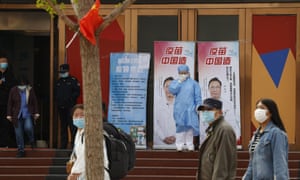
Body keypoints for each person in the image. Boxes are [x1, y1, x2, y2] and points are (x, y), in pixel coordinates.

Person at [243, 98, 289, 179]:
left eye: (262, 108)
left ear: (270, 112)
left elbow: (280, 164)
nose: (258, 111)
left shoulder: (276, 134)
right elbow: (251, 164)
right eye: (257, 108)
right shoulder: (256, 135)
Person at [67, 104, 110, 180]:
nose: (79, 118)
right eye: (76, 115)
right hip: (84, 174)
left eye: (82, 115)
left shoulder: (91, 132)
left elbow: (85, 155)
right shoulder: (79, 133)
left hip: (95, 173)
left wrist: (75, 173)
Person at [197, 98, 236, 179]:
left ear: (220, 112)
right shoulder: (213, 129)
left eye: (209, 110)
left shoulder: (224, 130)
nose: (205, 113)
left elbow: (222, 164)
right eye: (203, 110)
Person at [168, 65, 202, 151]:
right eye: (181, 73)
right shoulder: (176, 82)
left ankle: (190, 144)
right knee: (180, 126)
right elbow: (172, 90)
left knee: (190, 127)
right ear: (178, 73)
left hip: (191, 108)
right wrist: (179, 81)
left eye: (184, 73)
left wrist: (198, 105)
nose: (183, 74)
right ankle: (179, 145)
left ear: (188, 72)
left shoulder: (194, 83)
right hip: (180, 108)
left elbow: (197, 95)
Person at [6, 76, 40, 157]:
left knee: (28, 128)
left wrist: (36, 113)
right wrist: (9, 114)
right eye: (20, 85)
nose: (22, 86)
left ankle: (31, 140)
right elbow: (10, 103)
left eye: (24, 84)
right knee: (18, 133)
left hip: (27, 113)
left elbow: (34, 102)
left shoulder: (30, 90)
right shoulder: (13, 90)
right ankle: (21, 150)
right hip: (17, 115)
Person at [55, 63, 80, 149]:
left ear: (68, 71)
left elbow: (77, 92)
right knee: (63, 127)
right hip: (61, 107)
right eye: (61, 72)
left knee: (72, 127)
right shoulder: (58, 82)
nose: (62, 73)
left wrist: (70, 99)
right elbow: (56, 94)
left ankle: (74, 144)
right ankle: (63, 145)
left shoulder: (73, 81)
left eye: (64, 71)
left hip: (70, 108)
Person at [207, 77, 241, 142]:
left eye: (217, 87)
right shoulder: (204, 105)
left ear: (221, 89)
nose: (214, 90)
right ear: (208, 89)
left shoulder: (228, 105)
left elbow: (231, 124)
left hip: (224, 139)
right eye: (212, 87)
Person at [0, 51, 17, 148]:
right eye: (2, 62)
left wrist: (3, 84)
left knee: (6, 124)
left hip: (7, 103)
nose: (3, 64)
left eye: (5, 62)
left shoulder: (10, 75)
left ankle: (5, 143)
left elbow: (13, 87)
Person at [154, 76, 176, 148]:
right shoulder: (157, 104)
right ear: (163, 88)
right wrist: (163, 138)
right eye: (167, 86)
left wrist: (175, 137)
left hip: (177, 144)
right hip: (159, 144)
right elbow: (155, 123)